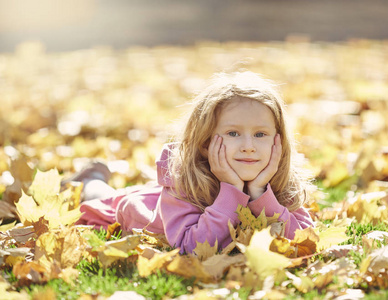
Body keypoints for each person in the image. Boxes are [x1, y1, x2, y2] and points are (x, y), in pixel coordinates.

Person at [75, 71, 315, 254]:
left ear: (278, 141)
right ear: (204, 142)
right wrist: (231, 189)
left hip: (163, 199)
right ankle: (91, 178)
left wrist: (261, 193)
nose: (248, 145)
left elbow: (303, 239)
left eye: (260, 134)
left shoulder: (277, 178)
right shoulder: (183, 183)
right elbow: (191, 247)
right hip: (149, 210)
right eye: (233, 133)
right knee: (102, 197)